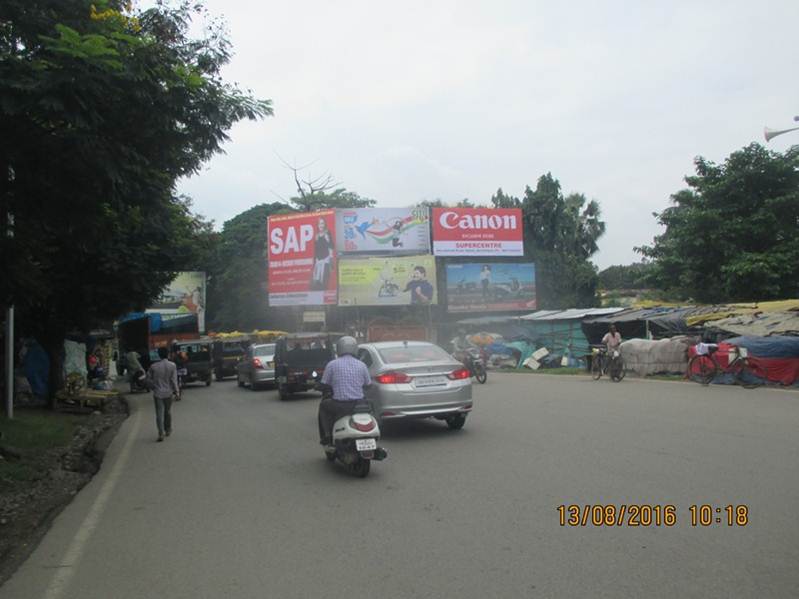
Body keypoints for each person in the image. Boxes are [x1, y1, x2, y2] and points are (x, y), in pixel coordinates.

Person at [317, 336, 371, 446]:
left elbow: (324, 384)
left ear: (339, 349)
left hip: (339, 405)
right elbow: (368, 385)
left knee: (323, 406)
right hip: (359, 405)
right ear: (355, 349)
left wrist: (318, 386)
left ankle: (327, 436)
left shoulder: (332, 364)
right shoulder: (362, 365)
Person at [147, 346, 180, 442]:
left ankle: (160, 433)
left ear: (159, 355)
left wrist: (153, 386)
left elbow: (148, 379)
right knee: (167, 412)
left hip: (158, 393)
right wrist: (177, 392)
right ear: (168, 354)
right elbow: (174, 380)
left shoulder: (153, 366)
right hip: (168, 393)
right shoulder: (172, 365)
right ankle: (168, 429)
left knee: (159, 414)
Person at [311, 217, 334, 291]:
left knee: (324, 284)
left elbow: (331, 246)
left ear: (325, 224)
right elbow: (315, 250)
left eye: (322, 223)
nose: (321, 225)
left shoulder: (327, 233)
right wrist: (315, 262)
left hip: (325, 263)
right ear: (317, 225)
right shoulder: (316, 236)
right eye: (319, 224)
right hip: (318, 263)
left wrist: (328, 240)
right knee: (316, 284)